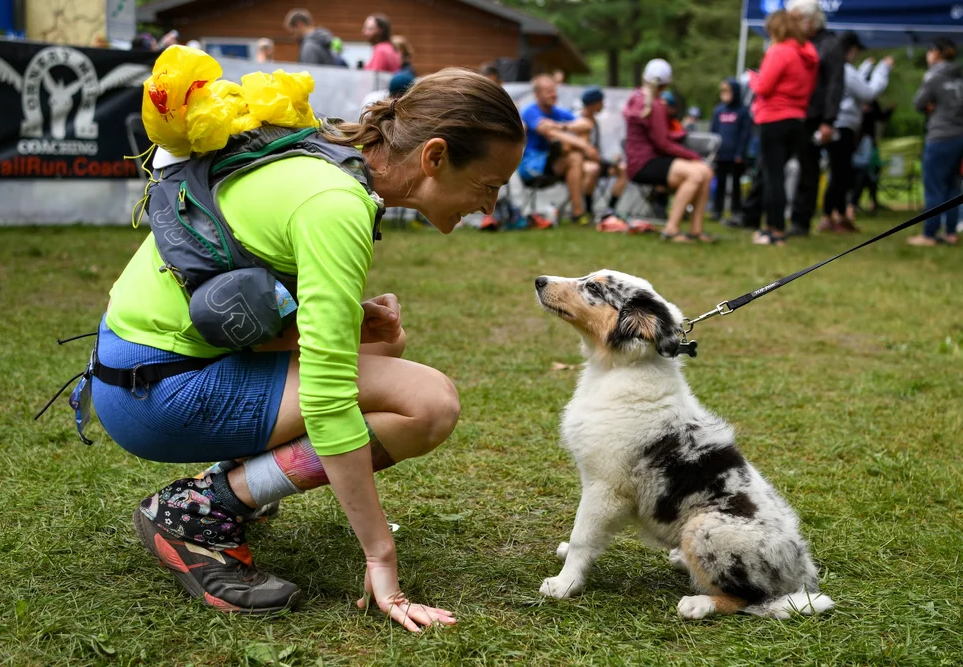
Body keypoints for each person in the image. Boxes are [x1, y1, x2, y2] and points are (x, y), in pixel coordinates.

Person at [93, 65, 525, 629]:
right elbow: (326, 397)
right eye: (488, 185)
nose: (489, 206)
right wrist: (379, 554)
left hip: (136, 367)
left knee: (388, 352)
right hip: (153, 391)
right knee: (428, 403)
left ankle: (234, 487)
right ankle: (200, 510)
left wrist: (349, 320)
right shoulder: (337, 202)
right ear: (435, 157)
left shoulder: (327, 154)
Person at [747, 10, 818, 246]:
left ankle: (775, 231)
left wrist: (753, 78)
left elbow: (764, 87)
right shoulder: (806, 53)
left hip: (773, 118)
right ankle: (770, 226)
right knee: (776, 173)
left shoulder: (779, 51)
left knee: (773, 176)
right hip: (797, 119)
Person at [623, 58, 714, 243]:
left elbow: (656, 136)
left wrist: (677, 137)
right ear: (665, 85)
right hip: (644, 164)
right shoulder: (654, 105)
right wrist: (694, 156)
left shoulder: (637, 98)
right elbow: (662, 143)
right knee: (696, 174)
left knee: (706, 171)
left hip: (639, 162)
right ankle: (671, 229)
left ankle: (696, 230)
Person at [820, 34, 892, 234]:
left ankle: (837, 215)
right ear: (850, 49)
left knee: (840, 173)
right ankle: (831, 217)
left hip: (837, 125)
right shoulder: (845, 69)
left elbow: (855, 84)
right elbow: (868, 92)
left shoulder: (839, 69)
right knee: (840, 174)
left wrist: (868, 68)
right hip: (843, 127)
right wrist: (883, 69)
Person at [786, 0, 845, 238]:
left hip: (815, 117)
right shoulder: (799, 44)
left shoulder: (830, 45)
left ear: (809, 21)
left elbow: (834, 86)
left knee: (807, 170)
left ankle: (801, 221)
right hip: (793, 113)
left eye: (796, 18)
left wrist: (829, 120)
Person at [517, 74, 601, 226]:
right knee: (574, 156)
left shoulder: (556, 112)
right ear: (537, 95)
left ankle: (579, 211)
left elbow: (587, 124)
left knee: (587, 165)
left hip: (552, 163)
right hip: (532, 166)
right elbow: (549, 133)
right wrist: (586, 147)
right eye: (548, 91)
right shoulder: (530, 111)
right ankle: (578, 212)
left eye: (554, 90)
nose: (553, 94)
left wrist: (561, 125)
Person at [909, 37, 963, 246]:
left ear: (938, 53)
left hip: (940, 137)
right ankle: (950, 233)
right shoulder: (959, 78)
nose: (927, 54)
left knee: (934, 186)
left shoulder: (934, 76)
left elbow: (918, 103)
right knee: (952, 187)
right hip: (960, 137)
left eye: (930, 50)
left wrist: (932, 107)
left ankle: (929, 234)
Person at [579, 86, 629, 222]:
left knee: (623, 170)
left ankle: (610, 210)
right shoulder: (581, 121)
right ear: (594, 103)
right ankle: (587, 211)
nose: (603, 105)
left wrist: (612, 159)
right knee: (592, 170)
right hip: (582, 164)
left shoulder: (595, 122)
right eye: (601, 101)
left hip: (597, 161)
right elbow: (584, 150)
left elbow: (596, 150)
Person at [710, 78, 753, 223]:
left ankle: (736, 211)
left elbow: (745, 134)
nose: (725, 94)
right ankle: (717, 210)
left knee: (736, 185)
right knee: (720, 183)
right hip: (720, 155)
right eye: (723, 91)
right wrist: (713, 151)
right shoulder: (718, 110)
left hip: (736, 156)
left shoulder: (743, 112)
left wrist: (740, 153)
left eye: (727, 91)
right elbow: (713, 132)